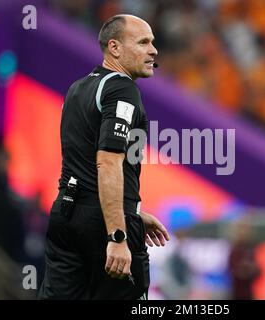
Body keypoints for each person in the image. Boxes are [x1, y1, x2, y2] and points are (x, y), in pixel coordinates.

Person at [38, 14, 169, 300]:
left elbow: (81, 162)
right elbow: (108, 161)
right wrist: (119, 232)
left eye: (153, 43)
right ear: (115, 47)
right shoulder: (122, 89)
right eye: (144, 42)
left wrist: (131, 211)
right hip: (103, 226)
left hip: (66, 216)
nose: (153, 50)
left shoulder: (77, 88)